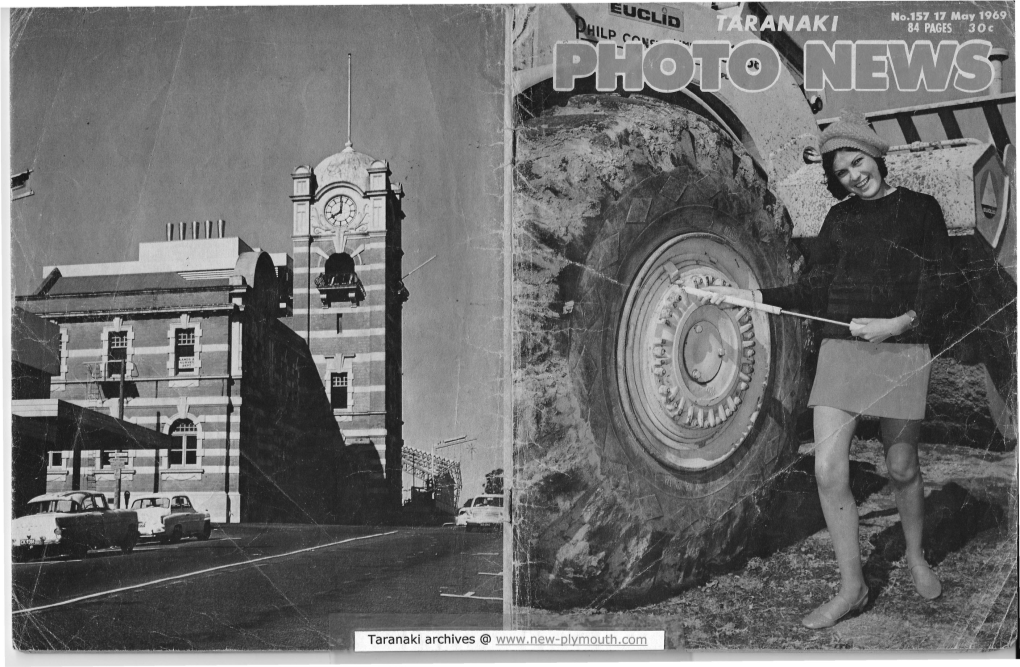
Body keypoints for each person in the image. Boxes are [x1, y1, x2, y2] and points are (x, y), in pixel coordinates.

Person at [706, 113, 954, 629]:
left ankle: (913, 556)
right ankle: (852, 586)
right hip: (842, 352)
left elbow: (945, 285)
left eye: (857, 162)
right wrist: (750, 297)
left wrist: (898, 324)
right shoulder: (840, 220)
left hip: (901, 348)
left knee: (902, 467)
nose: (853, 176)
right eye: (841, 172)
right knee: (827, 469)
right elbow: (815, 288)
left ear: (875, 156)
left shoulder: (921, 209)